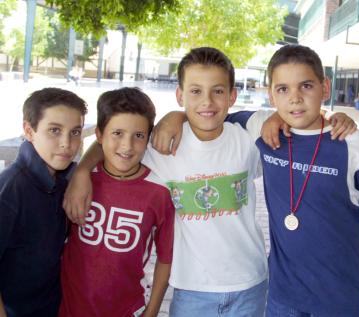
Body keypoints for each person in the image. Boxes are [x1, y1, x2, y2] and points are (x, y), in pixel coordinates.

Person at [64, 47, 270, 317]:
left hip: (250, 283)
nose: (206, 101)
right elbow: (113, 142)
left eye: (217, 91)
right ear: (180, 96)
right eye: (195, 91)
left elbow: (289, 121)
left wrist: (336, 122)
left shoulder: (247, 139)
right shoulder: (161, 146)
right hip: (191, 289)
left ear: (232, 96)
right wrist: (81, 171)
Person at [224, 45, 359, 316]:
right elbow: (209, 117)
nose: (295, 99)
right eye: (283, 89)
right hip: (283, 297)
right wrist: (173, 117)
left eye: (306, 86)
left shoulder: (351, 143)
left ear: (325, 87)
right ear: (271, 95)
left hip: (341, 296)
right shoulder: (262, 128)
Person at [59, 87, 174, 317]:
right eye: (117, 133)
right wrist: (81, 172)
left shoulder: (159, 193)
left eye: (138, 136)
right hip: (69, 308)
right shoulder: (81, 183)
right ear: (100, 135)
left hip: (125, 309)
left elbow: (165, 258)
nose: (127, 146)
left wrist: (152, 310)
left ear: (148, 138)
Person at [0, 88, 87, 317]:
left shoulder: (66, 179)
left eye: (75, 132)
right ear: (29, 131)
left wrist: (82, 172)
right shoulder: (10, 190)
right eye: (54, 130)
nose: (66, 143)